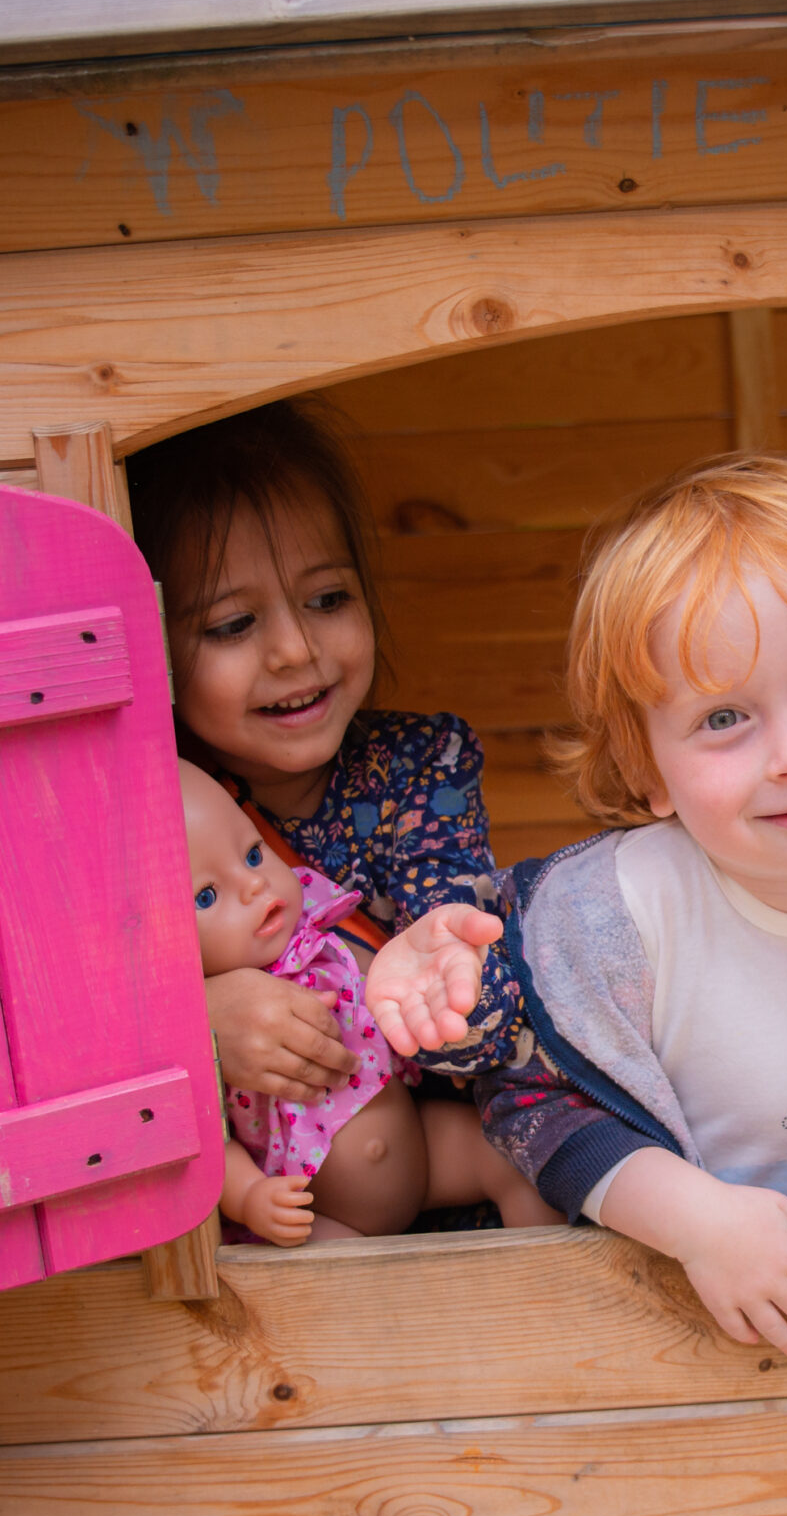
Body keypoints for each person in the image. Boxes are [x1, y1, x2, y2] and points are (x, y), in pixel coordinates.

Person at [366, 456, 787, 1360]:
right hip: (654, 1318)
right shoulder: (624, 914)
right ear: (646, 772)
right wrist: (696, 1222)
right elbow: (530, 1100)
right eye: (725, 718)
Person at [125, 400, 524, 1109]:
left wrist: (437, 987)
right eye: (233, 623)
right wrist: (201, 1023)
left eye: (328, 597)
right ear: (152, 644)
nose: (295, 650)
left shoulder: (422, 765)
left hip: (430, 1172)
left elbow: (490, 1029)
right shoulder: (139, 812)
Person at [178, 762, 555, 1243]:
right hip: (323, 1209)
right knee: (339, 1281)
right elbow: (209, 1139)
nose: (255, 884)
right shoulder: (219, 1020)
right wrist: (249, 1197)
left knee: (520, 1155)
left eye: (253, 854)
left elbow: (378, 979)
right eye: (206, 896)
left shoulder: (320, 929)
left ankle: (542, 1300)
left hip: (419, 1147)